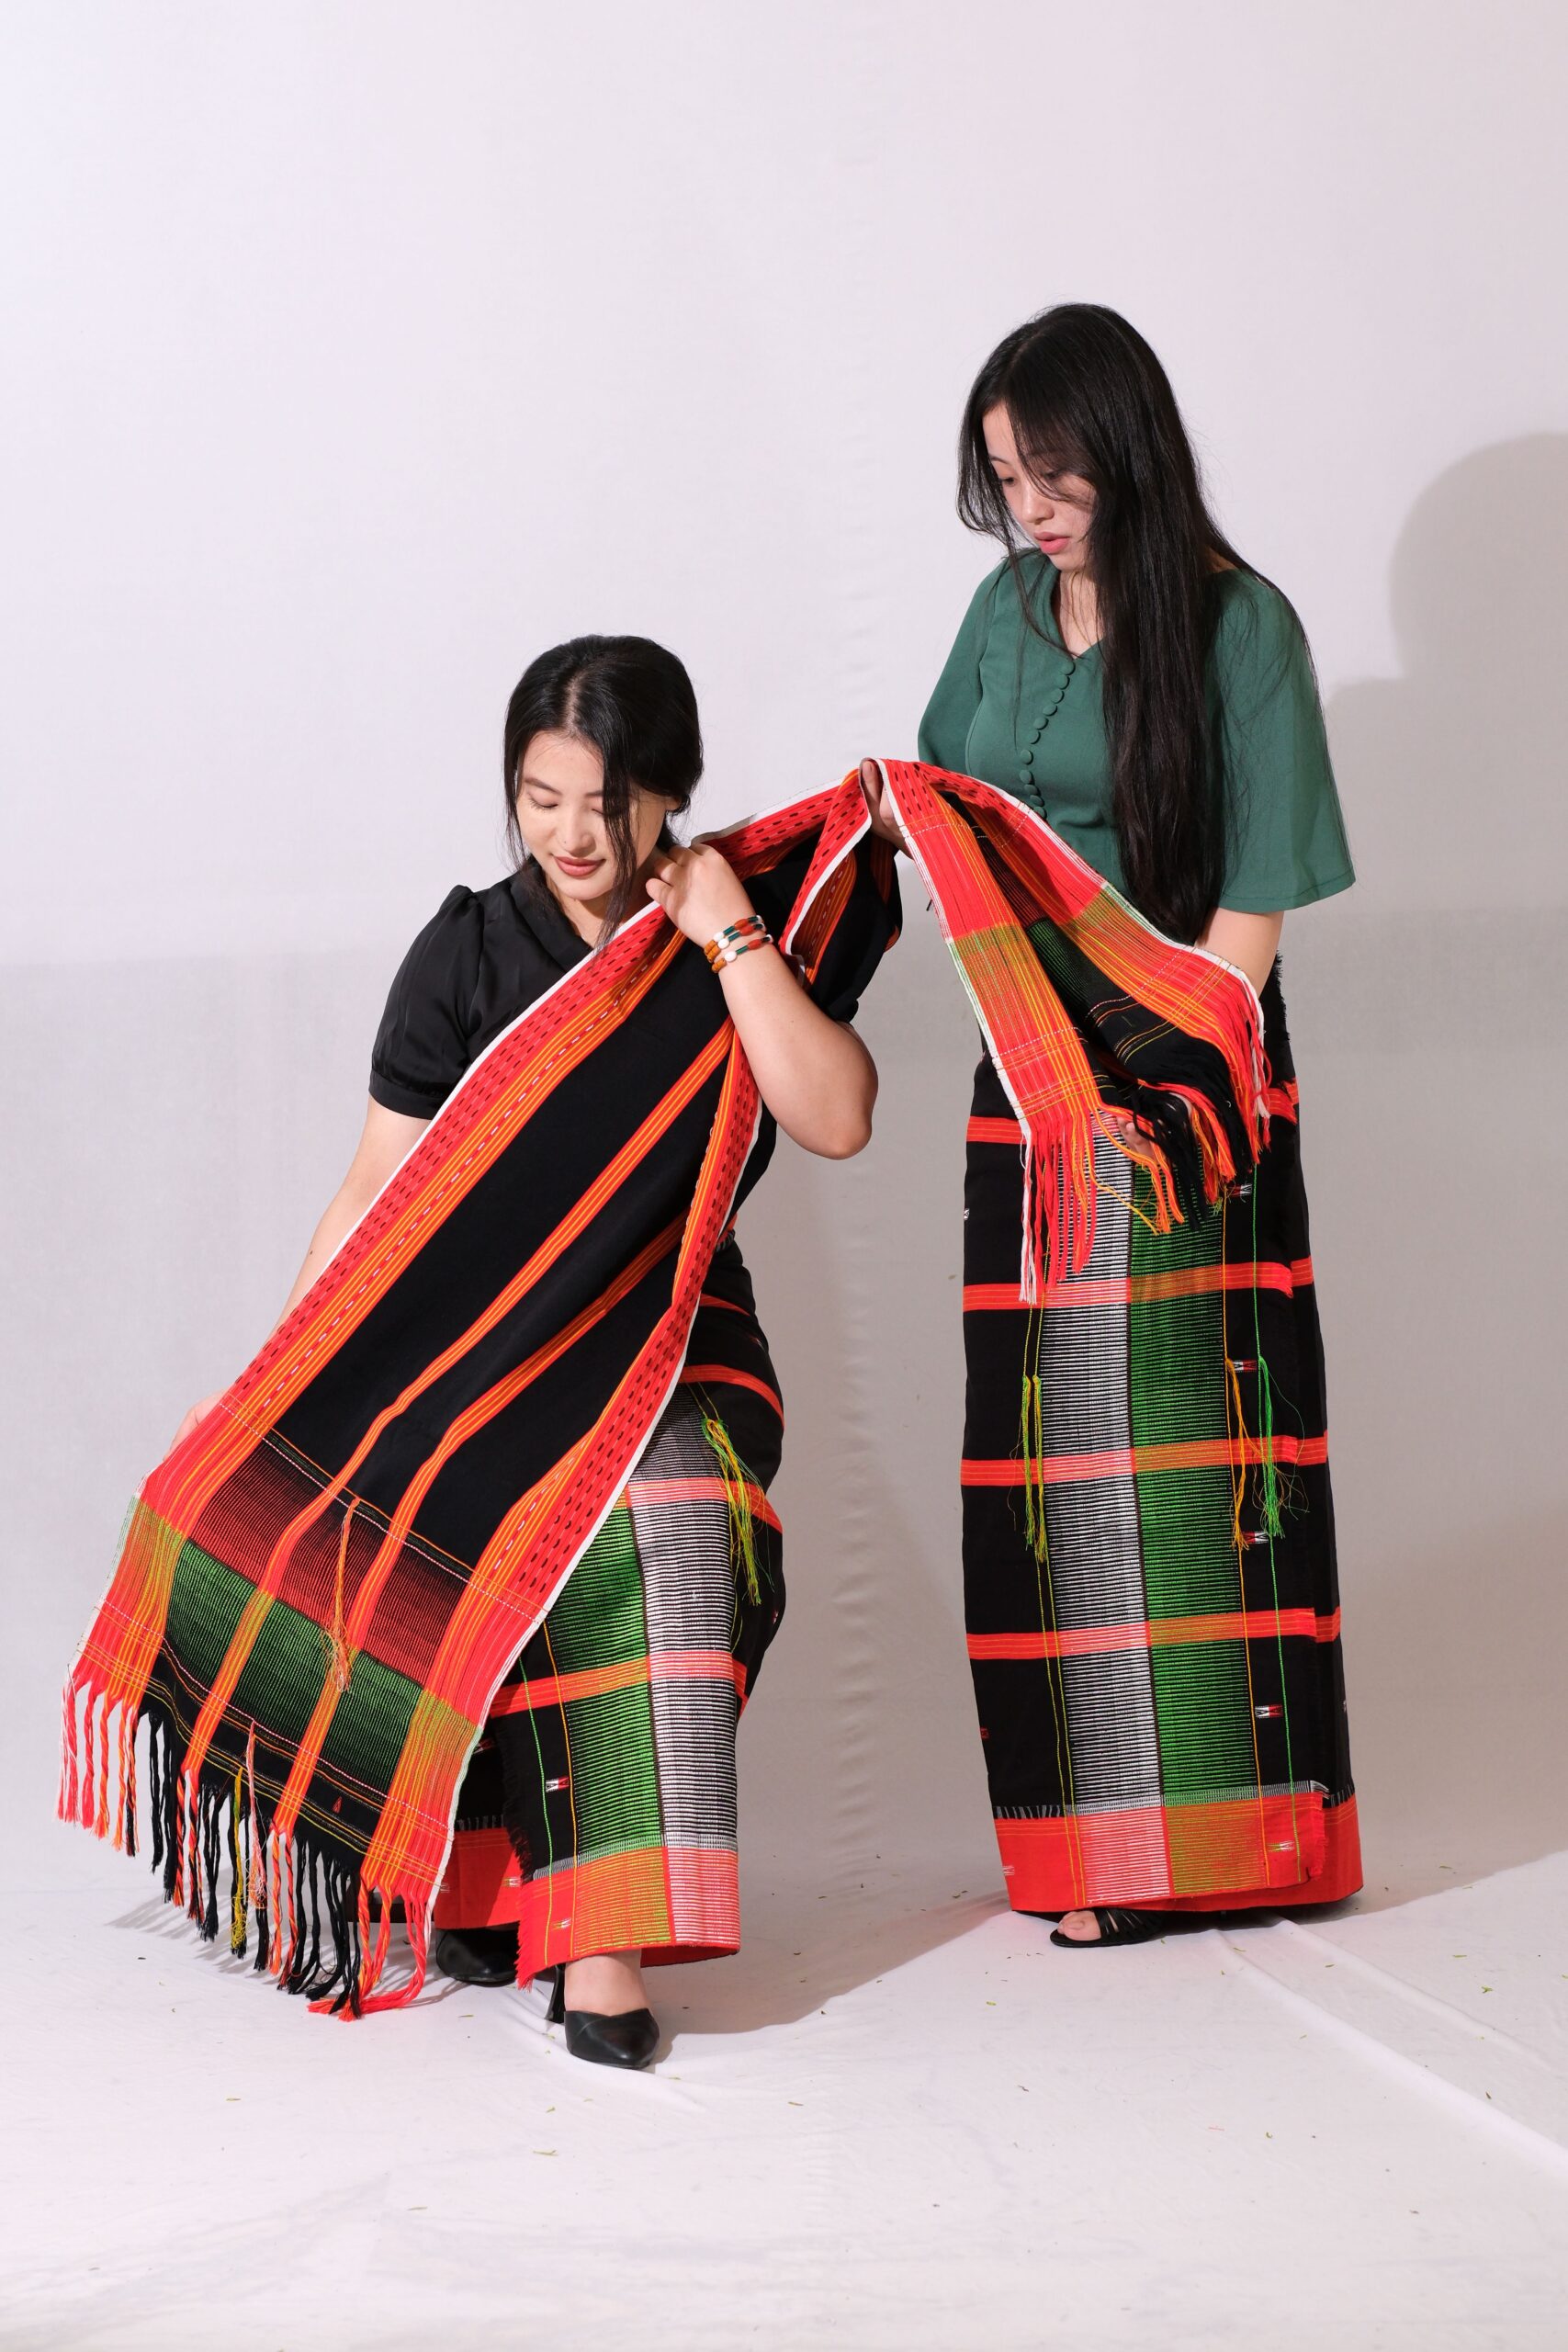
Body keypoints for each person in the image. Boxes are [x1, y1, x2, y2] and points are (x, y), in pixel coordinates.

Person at [169, 635, 890, 2061]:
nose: (571, 836)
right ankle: (491, 1878)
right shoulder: (468, 950)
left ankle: (602, 1941)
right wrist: (286, 1386)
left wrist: (728, 933)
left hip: (671, 1328)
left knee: (666, 1507)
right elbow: (375, 1190)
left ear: (671, 791)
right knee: (431, 1504)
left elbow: (839, 1116)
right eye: (539, 798)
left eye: (606, 804)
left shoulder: (742, 924)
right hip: (480, 1346)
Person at [863, 303, 1362, 1945]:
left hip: (1187, 1080)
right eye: (1005, 478)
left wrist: (1168, 1093)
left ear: (1127, 450)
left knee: (1190, 1458)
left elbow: (1255, 903)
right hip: (1027, 1080)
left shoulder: (1240, 627)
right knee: (1045, 1458)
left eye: (1053, 472)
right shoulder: (1004, 612)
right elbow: (939, 807)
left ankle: (1208, 1853)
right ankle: (1086, 1844)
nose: (1030, 508)